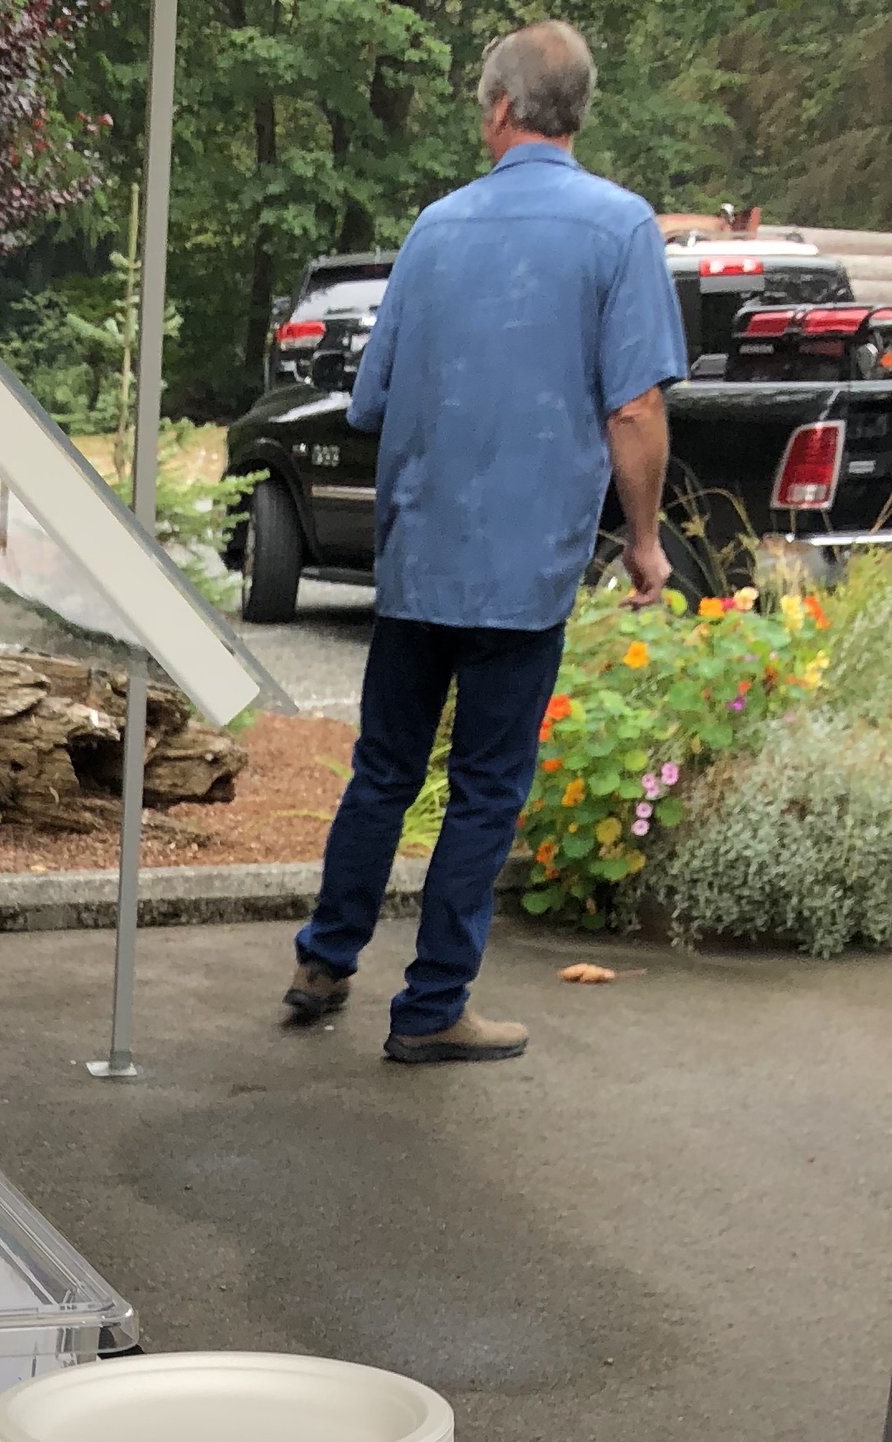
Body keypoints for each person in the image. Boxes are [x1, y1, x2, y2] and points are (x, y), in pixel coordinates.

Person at [284, 20, 687, 1061]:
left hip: (419, 555)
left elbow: (370, 400)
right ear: (575, 112)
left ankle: (324, 961)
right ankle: (430, 1011)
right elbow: (635, 406)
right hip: (524, 569)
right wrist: (644, 540)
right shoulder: (620, 229)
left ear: (501, 108)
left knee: (383, 769)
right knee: (485, 788)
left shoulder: (434, 228)